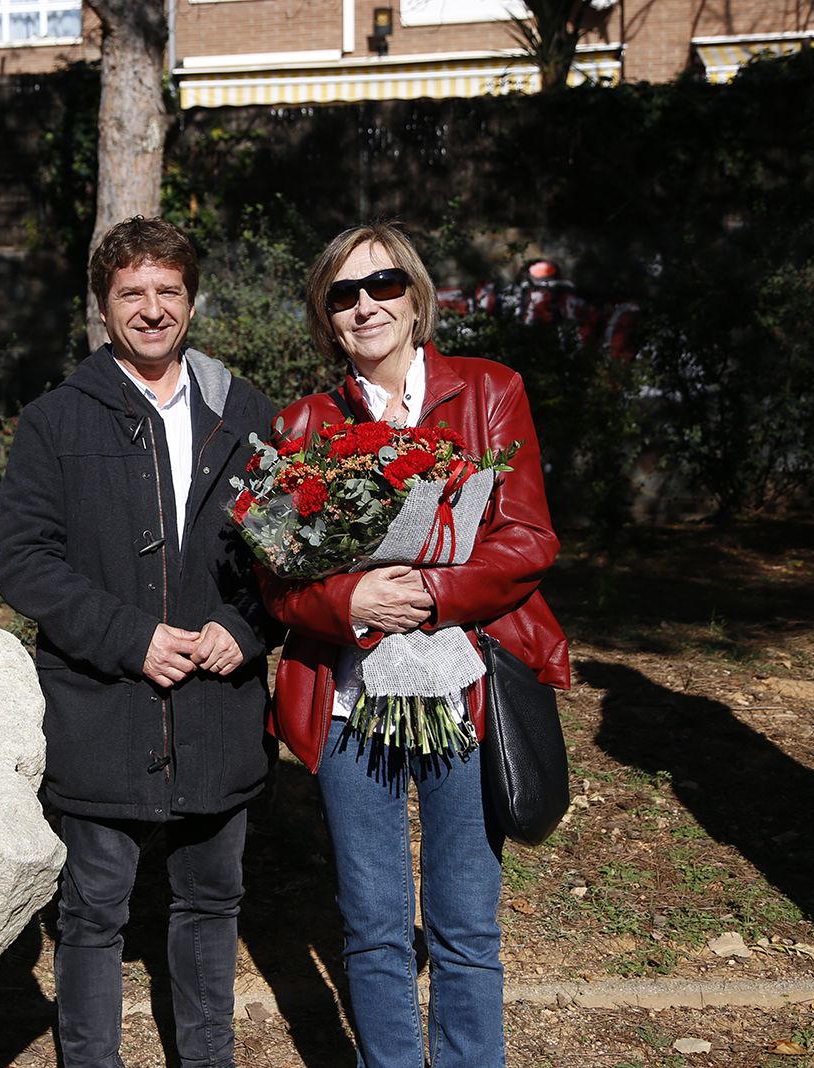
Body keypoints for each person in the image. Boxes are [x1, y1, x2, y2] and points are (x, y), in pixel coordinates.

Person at [261, 222, 570, 1067]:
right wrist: (349, 598)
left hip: (463, 694)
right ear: (328, 318)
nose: (366, 306)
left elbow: (527, 538)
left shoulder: (490, 391)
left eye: (384, 285)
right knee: (371, 926)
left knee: (465, 924)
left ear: (415, 297)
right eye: (343, 294)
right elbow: (275, 578)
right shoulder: (303, 424)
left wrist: (434, 591)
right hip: (350, 703)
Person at [0, 216, 277, 1068]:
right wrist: (130, 637)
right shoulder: (55, 421)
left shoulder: (246, 414)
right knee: (92, 911)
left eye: (168, 291)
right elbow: (24, 560)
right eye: (132, 293)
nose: (152, 309)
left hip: (218, 703)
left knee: (211, 902)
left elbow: (288, 552)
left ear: (191, 300)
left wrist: (245, 628)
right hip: (101, 702)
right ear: (104, 306)